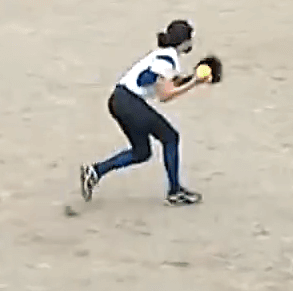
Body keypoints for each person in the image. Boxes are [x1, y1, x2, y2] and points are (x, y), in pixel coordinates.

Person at [78, 19, 212, 207]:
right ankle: (175, 192)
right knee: (170, 137)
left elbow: (166, 82)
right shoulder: (169, 59)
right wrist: (194, 83)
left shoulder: (162, 54)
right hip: (130, 103)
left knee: (141, 152)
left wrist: (191, 78)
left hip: (119, 100)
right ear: (185, 42)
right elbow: (165, 95)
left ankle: (96, 171)